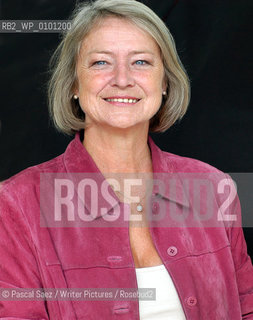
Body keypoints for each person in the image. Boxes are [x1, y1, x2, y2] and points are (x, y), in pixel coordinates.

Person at [0, 0, 252, 319]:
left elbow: (247, 305)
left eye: (142, 62)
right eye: (101, 62)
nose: (122, 79)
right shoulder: (15, 204)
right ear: (74, 84)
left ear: (164, 83)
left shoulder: (215, 188)